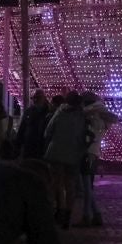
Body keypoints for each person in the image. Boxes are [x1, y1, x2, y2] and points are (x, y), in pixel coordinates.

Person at [42, 94, 88, 226]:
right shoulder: (81, 116)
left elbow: (48, 131)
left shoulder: (60, 112)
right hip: (73, 154)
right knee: (70, 185)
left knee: (57, 183)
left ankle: (59, 211)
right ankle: (68, 214)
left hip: (56, 152)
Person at [78, 91, 115, 227]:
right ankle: (95, 214)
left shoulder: (91, 115)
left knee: (86, 185)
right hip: (93, 151)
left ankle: (88, 215)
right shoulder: (101, 116)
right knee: (87, 184)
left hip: (88, 150)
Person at [19, 90, 51, 160]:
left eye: (38, 97)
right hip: (29, 144)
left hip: (41, 145)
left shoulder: (48, 112)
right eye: (34, 98)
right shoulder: (29, 111)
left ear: (43, 98)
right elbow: (22, 127)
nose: (35, 100)